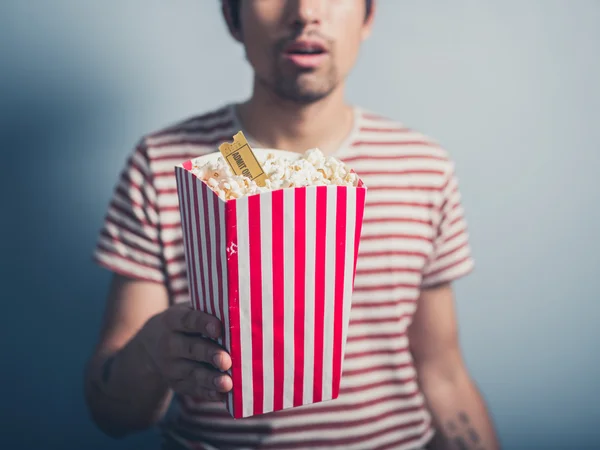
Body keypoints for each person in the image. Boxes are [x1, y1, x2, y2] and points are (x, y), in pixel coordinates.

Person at [84, 1, 500, 449]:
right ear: (232, 16)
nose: (305, 12)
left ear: (368, 17)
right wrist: (153, 352)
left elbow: (443, 374)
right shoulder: (162, 164)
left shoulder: (422, 169)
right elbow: (113, 415)